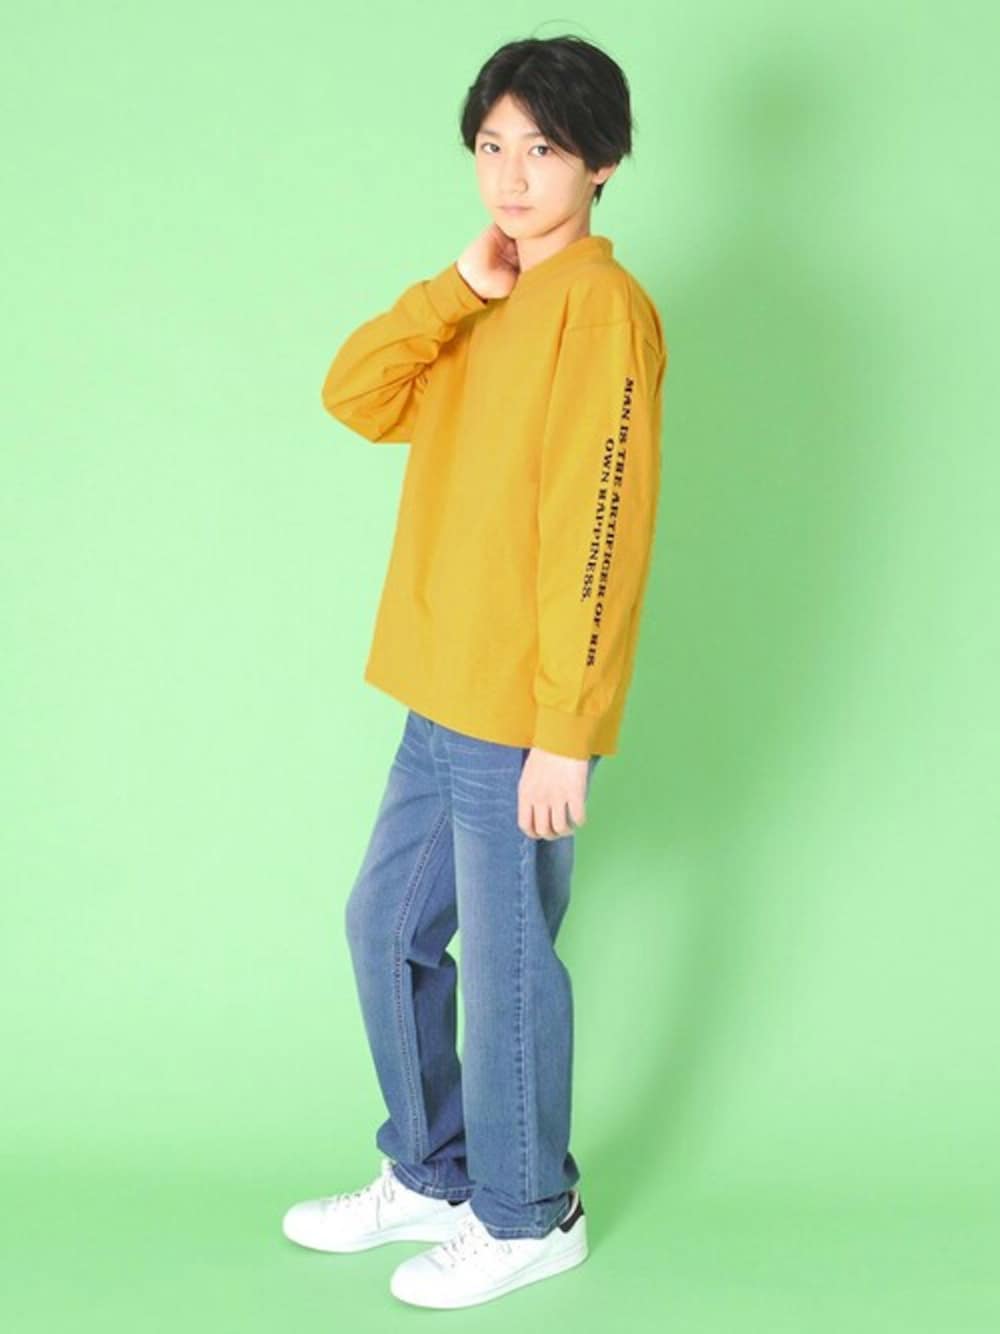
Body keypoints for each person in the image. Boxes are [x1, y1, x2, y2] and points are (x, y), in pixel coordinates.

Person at [282, 33, 668, 1309]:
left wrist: (568, 724)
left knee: (506, 968)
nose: (510, 175)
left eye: (541, 149)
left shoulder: (600, 311)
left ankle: (527, 1210)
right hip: (437, 690)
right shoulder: (485, 298)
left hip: (517, 707)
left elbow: (601, 528)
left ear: (600, 163)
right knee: (385, 928)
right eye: (492, 145)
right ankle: (434, 1170)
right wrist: (454, 286)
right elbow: (353, 394)